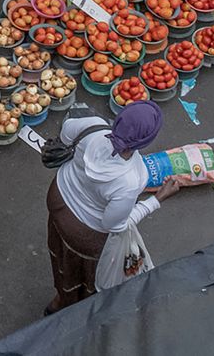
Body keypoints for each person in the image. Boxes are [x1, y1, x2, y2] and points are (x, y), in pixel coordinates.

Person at [45, 101, 179, 315]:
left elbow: (65, 139)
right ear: (145, 142)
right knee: (81, 271)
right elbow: (114, 225)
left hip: (58, 198)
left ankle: (59, 298)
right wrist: (157, 199)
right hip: (83, 233)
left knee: (59, 252)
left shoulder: (91, 125)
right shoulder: (132, 178)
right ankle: (67, 307)